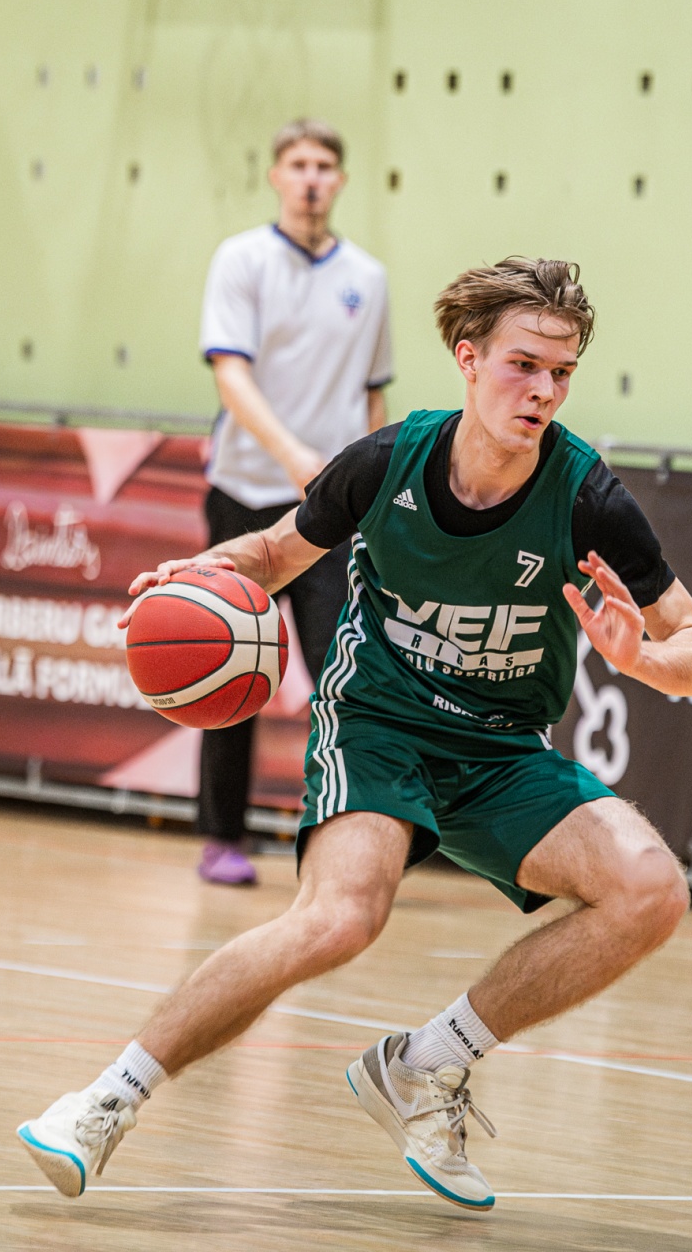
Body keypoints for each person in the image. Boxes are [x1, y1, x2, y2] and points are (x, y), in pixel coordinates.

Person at [19, 257, 692, 1209]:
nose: (544, 390)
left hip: (501, 751)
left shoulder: (585, 495)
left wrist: (644, 660)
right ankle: (103, 1100)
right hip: (379, 723)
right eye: (523, 365)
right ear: (468, 359)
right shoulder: (386, 461)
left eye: (562, 373)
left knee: (652, 891)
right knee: (340, 918)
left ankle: (427, 1063)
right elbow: (274, 552)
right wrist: (202, 575)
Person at [193, 118, 393, 885]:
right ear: (277, 175)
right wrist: (294, 457)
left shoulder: (368, 278)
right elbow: (230, 375)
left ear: (340, 180)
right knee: (228, 668)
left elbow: (373, 397)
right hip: (246, 494)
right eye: (298, 164)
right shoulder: (241, 259)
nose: (311, 177)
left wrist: (370, 492)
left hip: (329, 511)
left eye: (324, 166)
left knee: (342, 677)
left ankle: (343, 842)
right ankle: (221, 836)